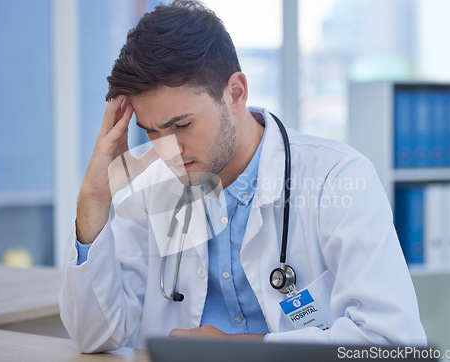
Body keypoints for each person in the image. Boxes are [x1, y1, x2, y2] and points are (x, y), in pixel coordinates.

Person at [59, 0, 427, 353]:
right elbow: (95, 336)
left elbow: (392, 343)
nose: (167, 150)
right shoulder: (152, 187)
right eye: (151, 132)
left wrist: (236, 350)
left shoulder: (337, 178)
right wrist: (93, 198)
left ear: (235, 93)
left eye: (182, 124)